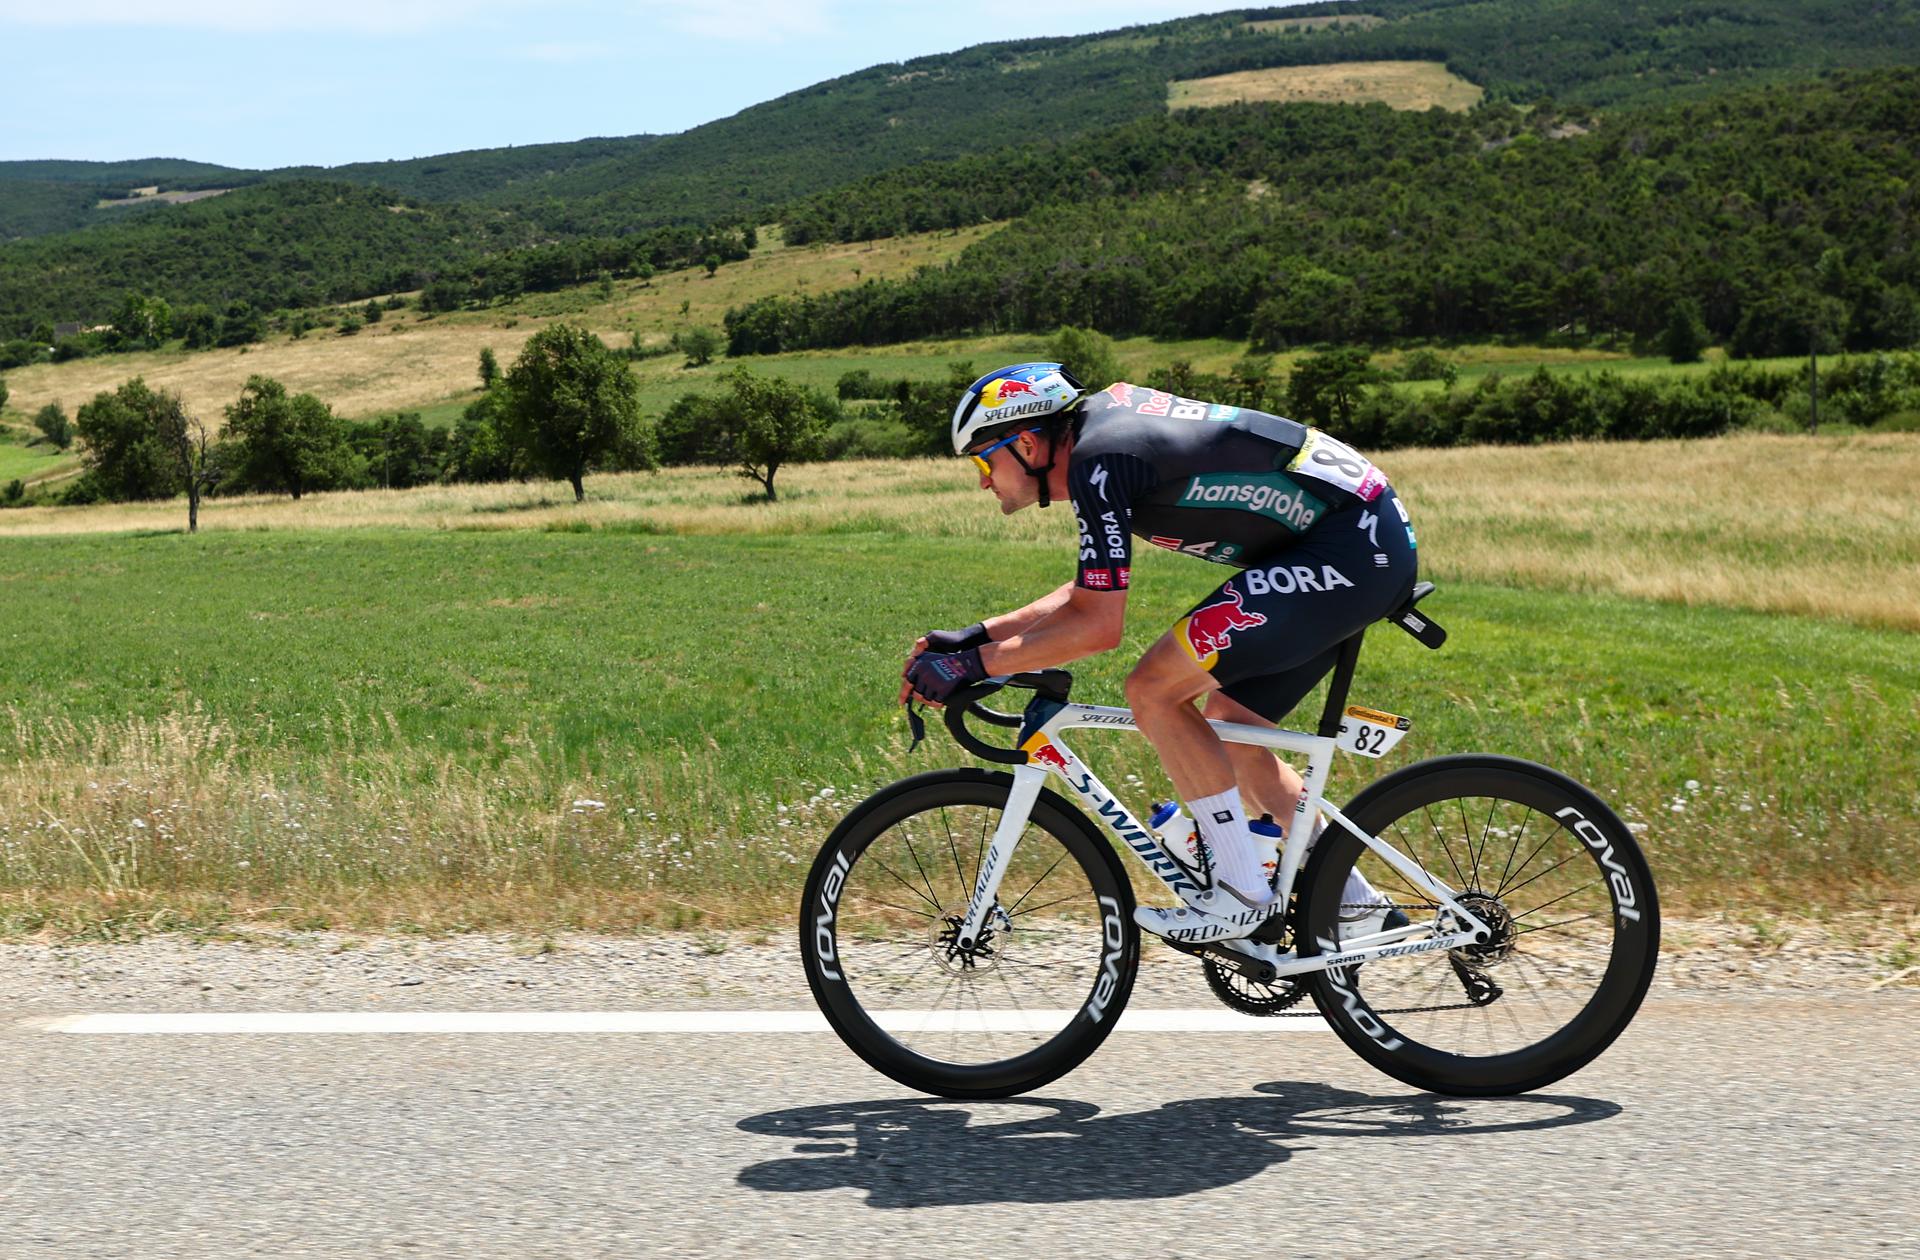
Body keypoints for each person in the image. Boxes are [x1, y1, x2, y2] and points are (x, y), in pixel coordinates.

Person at [901, 362, 1418, 944]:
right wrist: (977, 638)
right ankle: (1353, 904)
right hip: (1352, 544)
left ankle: (1241, 895)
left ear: (1024, 443)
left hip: (1348, 551)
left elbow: (1099, 627)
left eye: (982, 461)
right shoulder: (1102, 443)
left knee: (1153, 690)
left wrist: (974, 666)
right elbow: (1091, 591)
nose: (983, 482)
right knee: (1233, 728)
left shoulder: (1102, 458)